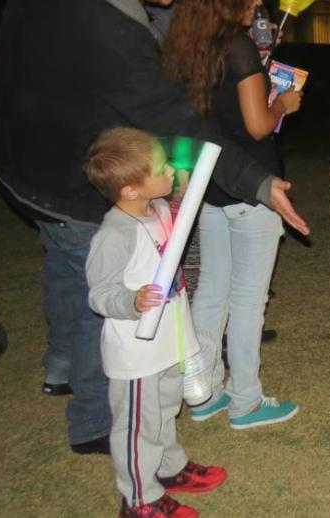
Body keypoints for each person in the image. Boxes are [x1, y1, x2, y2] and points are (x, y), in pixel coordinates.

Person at [0, 0, 308, 455]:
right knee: (95, 294)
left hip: (15, 152)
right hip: (66, 173)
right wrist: (258, 182)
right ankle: (93, 422)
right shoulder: (113, 34)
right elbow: (179, 121)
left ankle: (58, 366)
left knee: (64, 270)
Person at [162, 0, 301, 429]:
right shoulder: (237, 47)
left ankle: (203, 392)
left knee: (213, 292)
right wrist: (283, 102)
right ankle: (245, 400)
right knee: (247, 298)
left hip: (212, 185)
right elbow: (259, 125)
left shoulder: (188, 43)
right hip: (251, 186)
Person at [84, 127, 226, 518]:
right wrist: (131, 300)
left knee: (165, 412)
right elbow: (99, 293)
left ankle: (169, 468)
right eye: (162, 167)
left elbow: (173, 228)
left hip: (168, 341)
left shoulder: (156, 209)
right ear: (130, 189)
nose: (169, 170)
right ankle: (138, 499)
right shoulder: (114, 235)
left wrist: (179, 190)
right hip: (138, 354)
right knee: (137, 428)